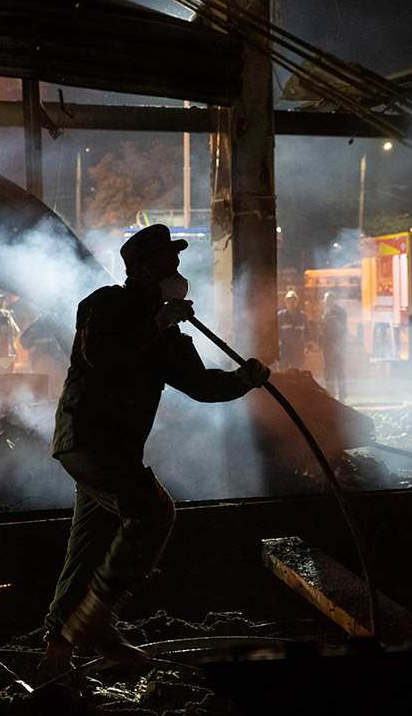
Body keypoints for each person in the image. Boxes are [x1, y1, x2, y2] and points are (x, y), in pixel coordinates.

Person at [37, 224, 270, 684]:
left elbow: (201, 386)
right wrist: (159, 322)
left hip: (114, 456)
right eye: (168, 262)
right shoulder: (105, 305)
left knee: (87, 550)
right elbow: (100, 355)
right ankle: (94, 621)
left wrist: (242, 380)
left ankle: (54, 658)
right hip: (86, 441)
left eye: (177, 262)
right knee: (153, 512)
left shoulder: (168, 338)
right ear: (141, 270)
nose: (178, 270)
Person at [319, 291, 348, 400]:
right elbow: (322, 329)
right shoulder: (324, 312)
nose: (328, 301)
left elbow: (342, 330)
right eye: (326, 299)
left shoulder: (340, 312)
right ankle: (330, 394)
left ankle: (342, 395)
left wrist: (338, 346)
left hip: (337, 346)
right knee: (328, 370)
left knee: (339, 369)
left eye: (330, 299)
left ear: (334, 300)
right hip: (327, 346)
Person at [277, 289, 308, 370]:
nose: (291, 303)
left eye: (293, 300)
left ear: (297, 302)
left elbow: (307, 331)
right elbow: (276, 332)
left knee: (297, 372)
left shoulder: (302, 316)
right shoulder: (280, 316)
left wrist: (308, 346)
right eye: (289, 301)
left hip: (298, 349)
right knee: (284, 371)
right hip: (285, 348)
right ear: (285, 302)